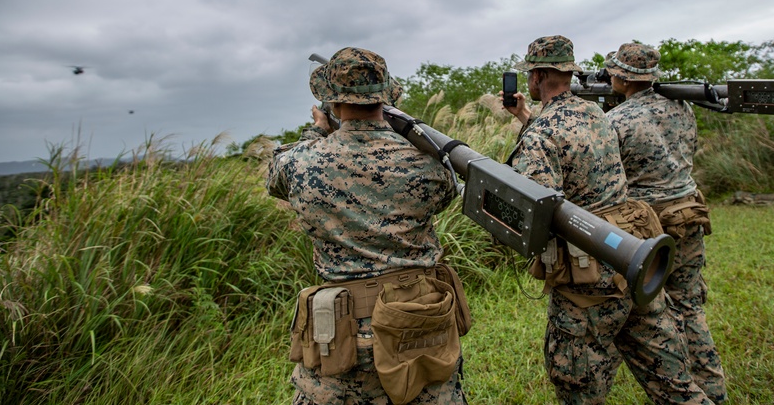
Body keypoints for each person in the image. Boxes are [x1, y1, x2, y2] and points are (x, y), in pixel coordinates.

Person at [503, 35, 713, 405]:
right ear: (569, 73)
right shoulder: (597, 115)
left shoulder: (544, 133)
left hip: (590, 276)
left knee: (578, 386)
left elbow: (532, 211)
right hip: (634, 257)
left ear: (536, 77)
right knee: (673, 384)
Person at [266, 47, 470, 405]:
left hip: (342, 339)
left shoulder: (301, 163)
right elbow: (447, 193)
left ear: (330, 100)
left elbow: (275, 179)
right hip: (421, 327)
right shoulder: (428, 162)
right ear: (386, 95)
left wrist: (317, 132)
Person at [603, 42, 727, 403]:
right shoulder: (683, 107)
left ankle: (679, 391)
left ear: (624, 78)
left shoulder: (618, 121)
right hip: (689, 214)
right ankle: (713, 390)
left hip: (649, 228)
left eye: (614, 71)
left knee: (651, 316)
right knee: (689, 305)